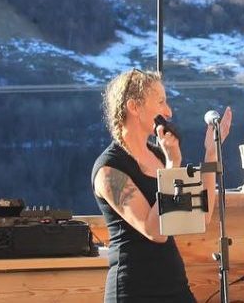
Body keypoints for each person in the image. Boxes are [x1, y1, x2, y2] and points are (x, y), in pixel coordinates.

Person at [91, 68, 232, 303]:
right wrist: (171, 166)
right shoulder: (108, 171)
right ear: (134, 107)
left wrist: (210, 153)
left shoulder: (159, 154)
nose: (168, 112)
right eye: (161, 102)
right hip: (134, 290)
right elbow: (154, 231)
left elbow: (200, 214)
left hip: (173, 284)